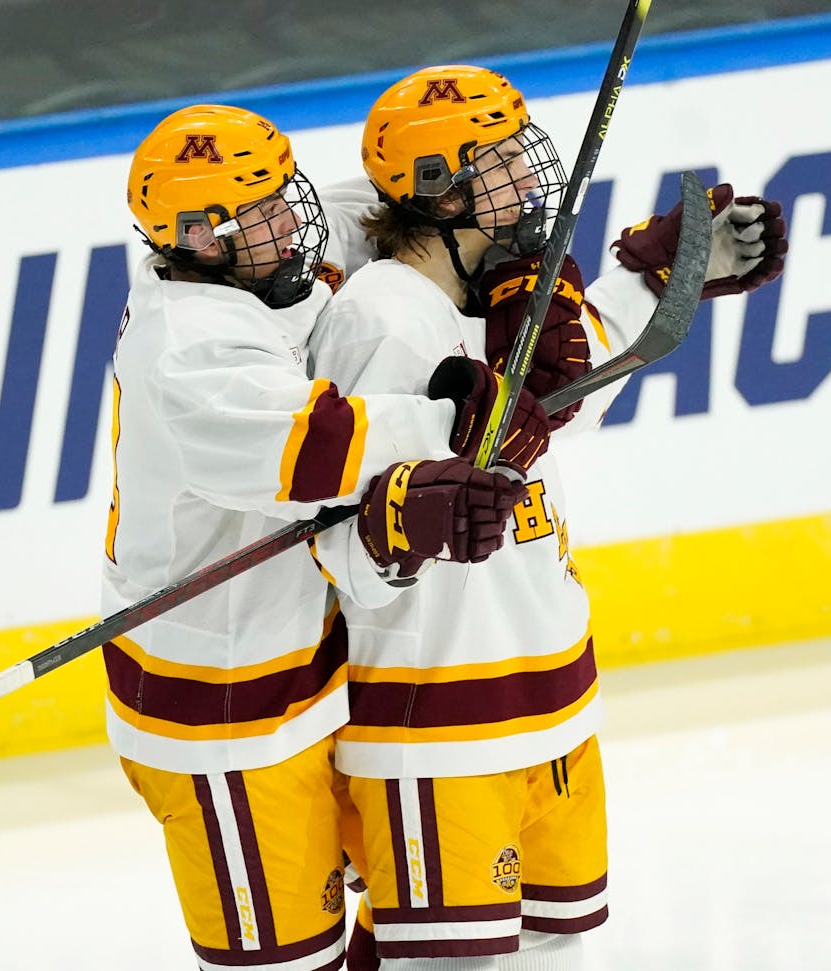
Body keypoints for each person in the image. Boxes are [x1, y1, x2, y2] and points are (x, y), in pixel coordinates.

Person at [305, 66, 786, 970]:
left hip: (553, 696)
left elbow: (564, 395)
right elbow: (342, 552)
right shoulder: (381, 322)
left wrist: (668, 278)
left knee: (553, 950)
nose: (531, 179)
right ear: (436, 189)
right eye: (500, 165)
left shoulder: (490, 291)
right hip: (438, 717)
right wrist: (411, 518)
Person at [102, 103, 553, 971]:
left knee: (405, 929)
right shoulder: (187, 350)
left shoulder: (256, 265)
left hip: (307, 672)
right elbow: (320, 446)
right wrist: (452, 418)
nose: (293, 222)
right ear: (198, 240)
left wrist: (508, 235)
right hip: (223, 715)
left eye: (282, 195)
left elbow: (385, 206)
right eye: (261, 214)